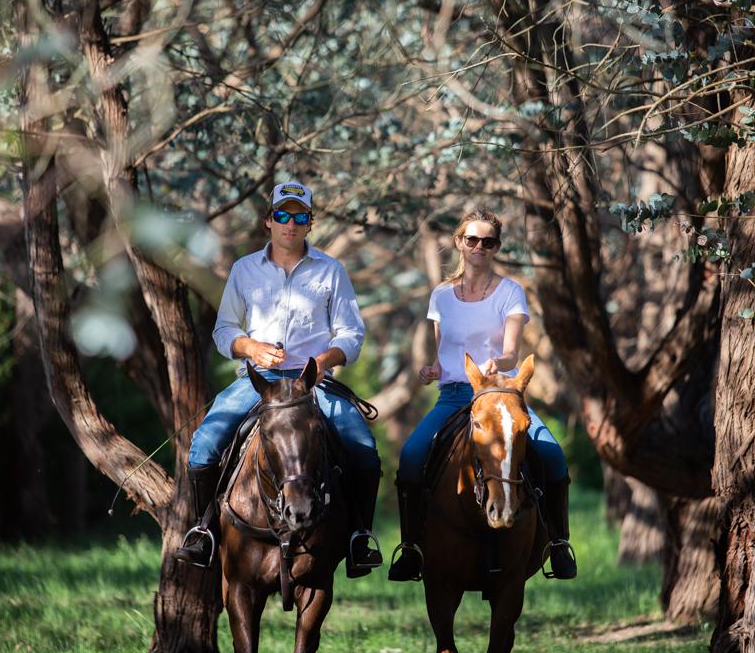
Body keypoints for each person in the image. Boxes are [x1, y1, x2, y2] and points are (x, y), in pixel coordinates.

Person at [174, 181, 383, 578]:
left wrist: (322, 361)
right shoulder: (244, 269)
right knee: (203, 447)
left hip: (314, 384)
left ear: (309, 224)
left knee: (363, 451)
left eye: (299, 216)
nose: (290, 223)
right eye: (282, 215)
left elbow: (351, 335)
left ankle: (359, 537)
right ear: (268, 221)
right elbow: (224, 331)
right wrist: (250, 348)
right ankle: (204, 531)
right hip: (262, 381)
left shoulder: (331, 270)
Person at [387, 210, 576, 582]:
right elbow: (444, 353)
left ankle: (558, 545)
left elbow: (510, 351)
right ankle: (411, 549)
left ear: (496, 248)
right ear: (459, 242)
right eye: (471, 240)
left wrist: (496, 362)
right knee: (410, 459)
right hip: (456, 395)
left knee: (552, 457)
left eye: (488, 242)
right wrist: (433, 370)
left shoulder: (510, 292)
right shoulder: (441, 296)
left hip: (500, 394)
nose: (479, 247)